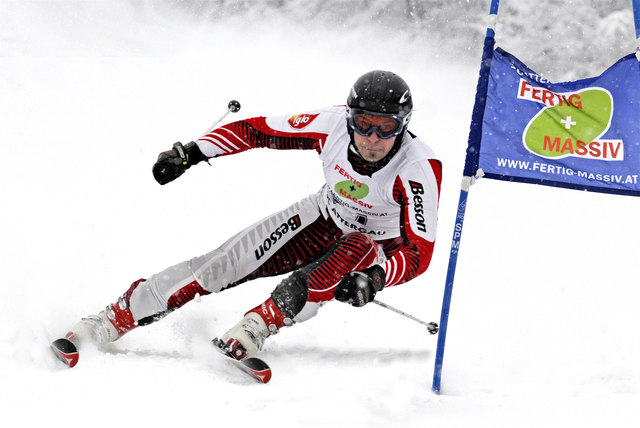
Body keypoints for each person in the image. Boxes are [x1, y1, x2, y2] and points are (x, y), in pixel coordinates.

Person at [51, 70, 442, 367]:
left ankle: (256, 325)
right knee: (222, 264)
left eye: (386, 127)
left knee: (357, 247)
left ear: (404, 125)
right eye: (364, 124)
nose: (373, 138)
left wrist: (376, 277)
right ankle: (111, 319)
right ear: (350, 119)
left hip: (378, 248)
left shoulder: (418, 168)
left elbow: (419, 252)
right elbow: (255, 130)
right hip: (324, 216)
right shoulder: (331, 126)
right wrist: (192, 153)